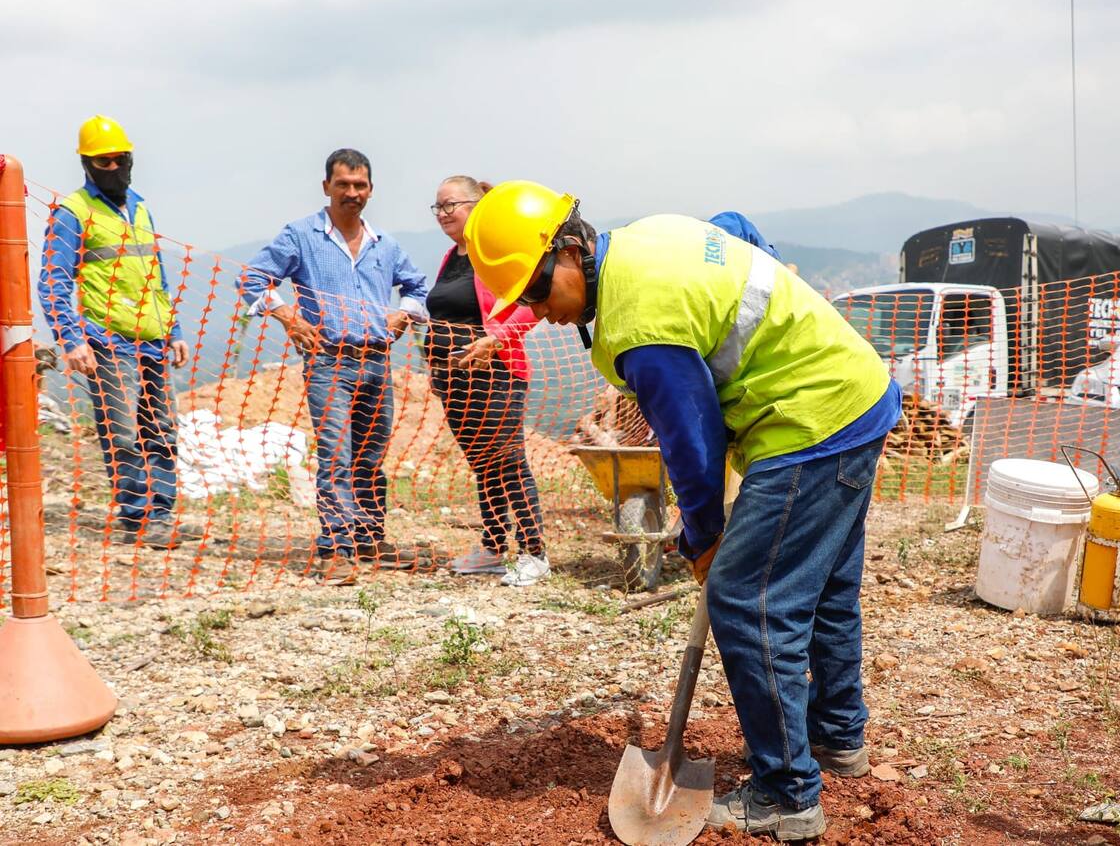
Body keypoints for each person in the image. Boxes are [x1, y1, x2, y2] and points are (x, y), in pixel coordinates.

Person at [464, 181, 901, 842]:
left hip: (808, 424)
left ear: (571, 250)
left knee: (748, 601)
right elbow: (737, 225)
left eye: (535, 289)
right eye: (519, 298)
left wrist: (705, 540)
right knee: (826, 589)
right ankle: (837, 737)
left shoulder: (640, 327)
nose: (537, 309)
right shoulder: (652, 237)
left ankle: (788, 794)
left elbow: (692, 446)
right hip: (856, 395)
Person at [238, 149, 428, 586]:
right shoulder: (301, 235)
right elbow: (252, 279)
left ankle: (369, 538)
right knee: (336, 456)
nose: (352, 193)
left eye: (360, 185)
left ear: (371, 190)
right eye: (343, 184)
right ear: (326, 186)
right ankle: (336, 548)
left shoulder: (386, 244)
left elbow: (417, 288)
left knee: (371, 457)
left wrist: (405, 313)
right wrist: (288, 317)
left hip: (377, 362)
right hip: (328, 362)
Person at [38, 115, 196, 550]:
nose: (114, 167)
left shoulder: (141, 206)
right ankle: (138, 517)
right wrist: (71, 339)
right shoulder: (73, 212)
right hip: (108, 341)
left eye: (120, 159)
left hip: (153, 337)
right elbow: (53, 281)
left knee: (162, 429)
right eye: (103, 161)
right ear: (87, 165)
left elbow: (155, 276)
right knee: (123, 434)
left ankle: (162, 511)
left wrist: (174, 329)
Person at [426, 175, 548, 587]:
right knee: (483, 464)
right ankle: (494, 547)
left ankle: (534, 552)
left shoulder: (493, 252)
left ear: (477, 206)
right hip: (454, 380)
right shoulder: (450, 256)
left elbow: (534, 303)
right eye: (437, 207)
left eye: (451, 205)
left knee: (508, 460)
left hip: (498, 374)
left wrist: (495, 340)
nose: (443, 214)